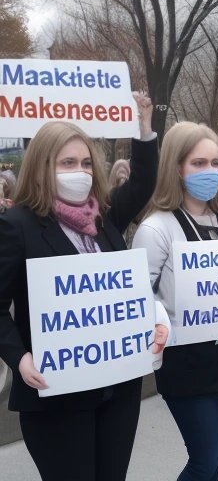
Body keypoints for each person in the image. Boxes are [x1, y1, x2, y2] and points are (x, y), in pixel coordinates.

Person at [0, 92, 167, 481]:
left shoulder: (103, 217)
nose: (81, 171)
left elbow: (142, 184)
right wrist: (20, 358)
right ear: (43, 166)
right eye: (68, 162)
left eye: (87, 163)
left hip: (118, 393)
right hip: (57, 398)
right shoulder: (18, 226)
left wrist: (144, 129)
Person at [132, 121, 218, 481]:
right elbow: (137, 298)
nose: (210, 171)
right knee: (204, 459)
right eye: (199, 163)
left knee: (217, 459)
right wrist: (156, 322)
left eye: (215, 163)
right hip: (186, 363)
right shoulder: (156, 229)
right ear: (176, 167)